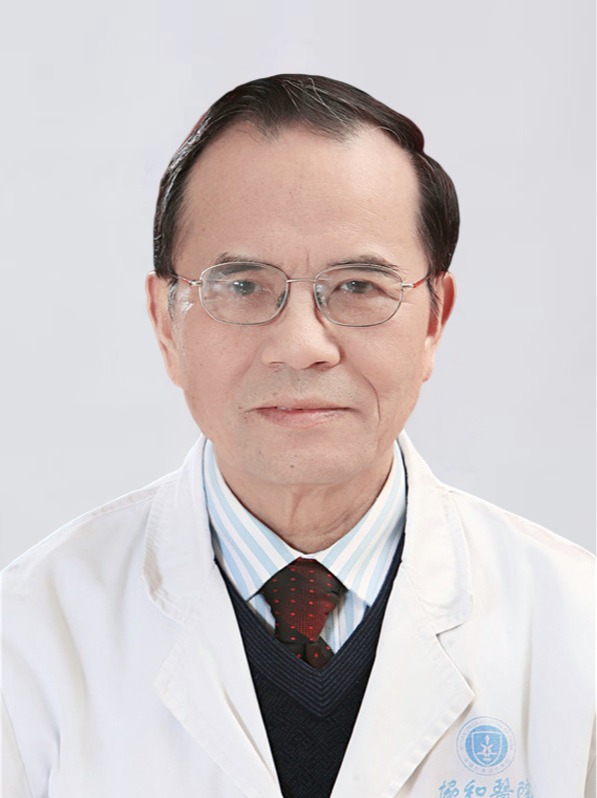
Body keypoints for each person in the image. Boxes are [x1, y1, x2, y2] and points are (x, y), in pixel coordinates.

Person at [2, 74, 594, 798]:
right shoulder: (28, 635)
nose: (302, 346)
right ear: (165, 323)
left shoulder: (576, 629)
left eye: (357, 286)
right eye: (243, 285)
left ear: (433, 321)